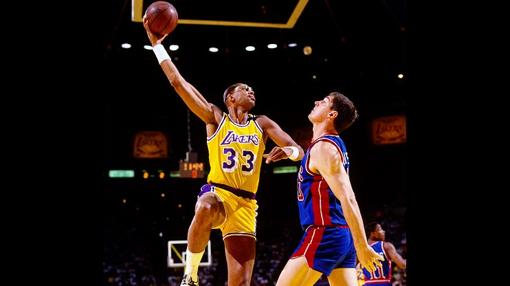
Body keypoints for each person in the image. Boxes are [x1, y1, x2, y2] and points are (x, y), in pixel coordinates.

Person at [142, 19, 305, 286]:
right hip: (218, 192)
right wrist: (157, 46)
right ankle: (190, 275)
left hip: (246, 205)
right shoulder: (215, 119)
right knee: (205, 207)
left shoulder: (261, 123)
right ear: (230, 98)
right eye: (244, 89)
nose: (251, 91)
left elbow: (298, 149)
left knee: (240, 283)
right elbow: (178, 82)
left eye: (252, 89)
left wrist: (289, 152)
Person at [276, 92, 383, 286]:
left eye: (324, 101)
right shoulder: (324, 147)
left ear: (332, 115)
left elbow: (348, 197)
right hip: (340, 234)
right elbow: (308, 159)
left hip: (326, 233)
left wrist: (363, 245)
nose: (317, 101)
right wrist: (290, 152)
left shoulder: (324, 148)